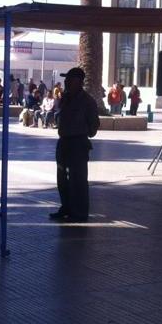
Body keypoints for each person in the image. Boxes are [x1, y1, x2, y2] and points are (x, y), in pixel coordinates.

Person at [50, 67, 100, 222]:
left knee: (77, 180)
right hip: (64, 142)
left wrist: (81, 132)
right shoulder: (65, 98)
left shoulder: (87, 101)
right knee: (62, 179)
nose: (66, 82)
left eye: (70, 79)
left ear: (79, 82)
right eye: (66, 79)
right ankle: (66, 207)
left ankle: (79, 213)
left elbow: (94, 125)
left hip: (77, 144)